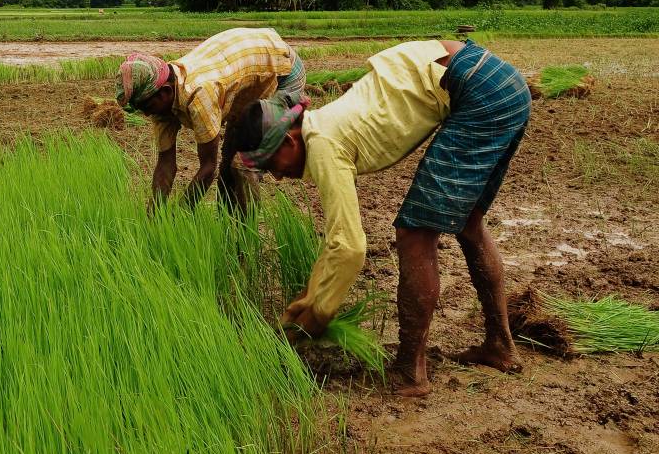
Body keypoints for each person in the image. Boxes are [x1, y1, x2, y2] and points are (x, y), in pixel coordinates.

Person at [221, 39, 531, 396]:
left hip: (478, 88)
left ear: (289, 143)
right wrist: (311, 298)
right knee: (469, 223)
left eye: (271, 165)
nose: (276, 177)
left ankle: (410, 371)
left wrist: (314, 315)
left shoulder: (321, 143)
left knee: (415, 233)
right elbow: (341, 241)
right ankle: (500, 345)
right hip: (497, 80)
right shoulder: (323, 125)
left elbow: (350, 247)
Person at [114, 27, 306, 211]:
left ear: (165, 92)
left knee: (242, 164)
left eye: (147, 108)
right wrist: (155, 215)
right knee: (228, 159)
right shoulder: (160, 99)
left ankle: (248, 236)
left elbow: (208, 168)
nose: (147, 115)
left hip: (283, 71)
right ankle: (228, 225)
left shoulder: (199, 95)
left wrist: (178, 215)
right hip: (243, 78)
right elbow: (166, 164)